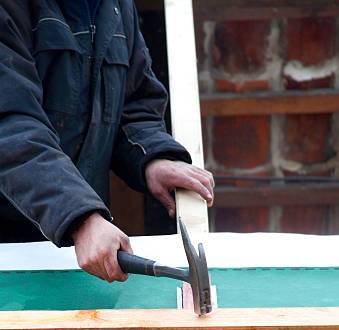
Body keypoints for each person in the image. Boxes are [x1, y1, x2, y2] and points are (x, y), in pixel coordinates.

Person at [0, 0, 214, 282]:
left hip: (76, 249)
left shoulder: (116, 6)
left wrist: (152, 158)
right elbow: (11, 126)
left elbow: (133, 105)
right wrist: (81, 217)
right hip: (11, 252)